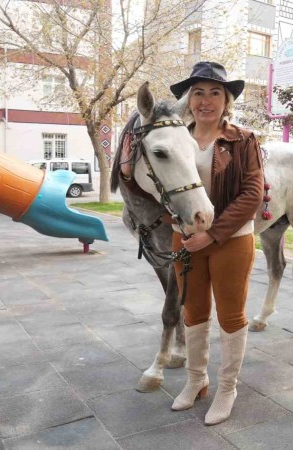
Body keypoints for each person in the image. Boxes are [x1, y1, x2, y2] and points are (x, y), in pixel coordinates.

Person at [119, 61, 263, 425]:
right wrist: (130, 178)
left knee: (231, 316)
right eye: (198, 93)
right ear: (189, 100)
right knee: (194, 313)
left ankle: (227, 388)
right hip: (186, 239)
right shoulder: (173, 134)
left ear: (226, 100)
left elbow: (252, 194)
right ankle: (197, 381)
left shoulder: (243, 139)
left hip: (231, 240)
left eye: (215, 93)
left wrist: (211, 234)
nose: (206, 100)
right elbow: (161, 187)